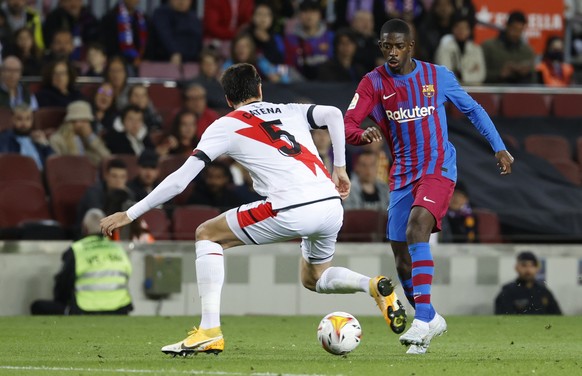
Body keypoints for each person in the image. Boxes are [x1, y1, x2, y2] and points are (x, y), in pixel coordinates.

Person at [100, 62, 407, 356]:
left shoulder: (225, 125)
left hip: (291, 205)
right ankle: (372, 286)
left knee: (207, 234)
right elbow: (333, 114)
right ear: (260, 88)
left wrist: (129, 214)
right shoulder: (289, 110)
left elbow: (180, 181)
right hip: (330, 205)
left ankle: (209, 331)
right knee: (313, 277)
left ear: (227, 98)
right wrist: (339, 167)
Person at [343, 19, 514, 354]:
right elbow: (347, 122)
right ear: (381, 47)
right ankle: (430, 320)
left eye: (398, 46)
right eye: (386, 46)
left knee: (418, 227)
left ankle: (421, 319)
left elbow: (473, 110)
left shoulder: (437, 76)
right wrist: (360, 136)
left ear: (411, 47)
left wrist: (499, 146)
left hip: (438, 168)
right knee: (401, 258)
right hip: (402, 175)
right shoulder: (373, 83)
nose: (392, 52)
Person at [30, 208, 133, 315]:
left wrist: (63, 301)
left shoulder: (77, 250)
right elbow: (127, 276)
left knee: (37, 306)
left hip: (85, 310)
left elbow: (63, 285)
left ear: (84, 228)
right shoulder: (118, 249)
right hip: (119, 310)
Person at [495, 252, 562, 315]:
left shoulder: (544, 292)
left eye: (532, 265)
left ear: (537, 268)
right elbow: (503, 319)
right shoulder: (508, 291)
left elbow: (557, 317)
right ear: (516, 268)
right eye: (524, 265)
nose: (528, 270)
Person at [49, 100, 111, 167]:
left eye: (87, 121)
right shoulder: (57, 140)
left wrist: (90, 136)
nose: (87, 125)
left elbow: (107, 158)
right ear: (73, 122)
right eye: (84, 121)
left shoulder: (87, 140)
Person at [481, 11, 535, 84]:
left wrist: (526, 73)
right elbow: (479, 75)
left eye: (520, 30)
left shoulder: (527, 51)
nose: (516, 34)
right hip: (494, 91)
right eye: (514, 29)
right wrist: (499, 74)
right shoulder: (489, 47)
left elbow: (535, 79)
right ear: (507, 26)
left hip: (520, 91)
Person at [434, 13, 486, 85]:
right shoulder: (444, 48)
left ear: (469, 30)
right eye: (458, 27)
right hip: (451, 91)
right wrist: (470, 72)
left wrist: (462, 75)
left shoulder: (476, 49)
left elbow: (481, 75)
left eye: (465, 27)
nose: (461, 30)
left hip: (473, 91)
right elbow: (446, 75)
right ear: (452, 29)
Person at [0, 104, 53, 170]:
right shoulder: (5, 138)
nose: (24, 123)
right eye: (19, 119)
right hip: (19, 176)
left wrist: (44, 144)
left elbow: (54, 163)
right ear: (12, 120)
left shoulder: (37, 139)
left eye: (28, 119)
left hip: (41, 176)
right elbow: (4, 162)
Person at [150, 0, 203, 64]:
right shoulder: (161, 13)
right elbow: (165, 35)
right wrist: (174, 52)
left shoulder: (194, 17)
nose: (182, 2)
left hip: (193, 61)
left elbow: (198, 40)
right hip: (167, 60)